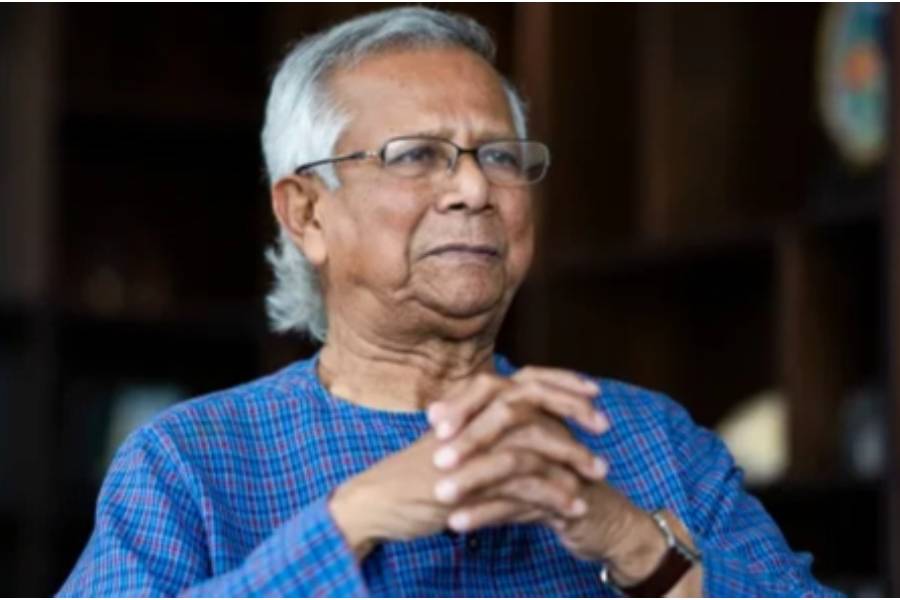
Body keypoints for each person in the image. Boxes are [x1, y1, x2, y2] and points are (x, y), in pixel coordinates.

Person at [59, 7, 838, 597]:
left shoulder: (651, 441)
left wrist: (633, 543)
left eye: (498, 155)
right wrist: (351, 522)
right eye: (416, 156)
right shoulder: (190, 463)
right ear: (307, 213)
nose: (473, 188)